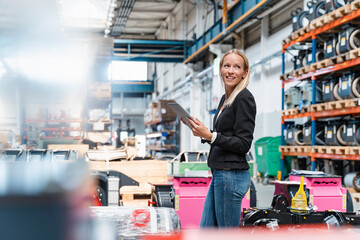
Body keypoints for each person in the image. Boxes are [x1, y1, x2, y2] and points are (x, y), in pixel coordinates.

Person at [184, 49, 256, 228]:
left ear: (244, 73)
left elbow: (243, 144)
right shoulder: (225, 98)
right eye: (227, 66)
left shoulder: (244, 98)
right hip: (220, 173)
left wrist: (211, 135)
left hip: (231, 174)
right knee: (207, 231)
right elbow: (223, 137)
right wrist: (203, 132)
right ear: (220, 69)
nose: (231, 71)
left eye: (237, 67)